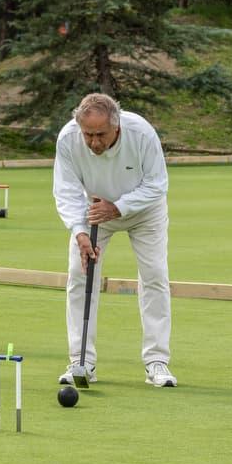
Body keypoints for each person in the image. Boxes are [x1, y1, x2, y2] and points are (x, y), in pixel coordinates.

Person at [53, 93, 177, 388]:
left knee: (155, 276)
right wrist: (79, 232)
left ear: (116, 126)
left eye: (101, 135)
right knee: (80, 276)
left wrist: (118, 207)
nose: (94, 143)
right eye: (89, 135)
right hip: (94, 210)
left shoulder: (141, 133)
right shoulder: (68, 139)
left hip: (144, 210)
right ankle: (81, 361)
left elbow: (158, 184)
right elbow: (66, 190)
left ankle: (157, 362)